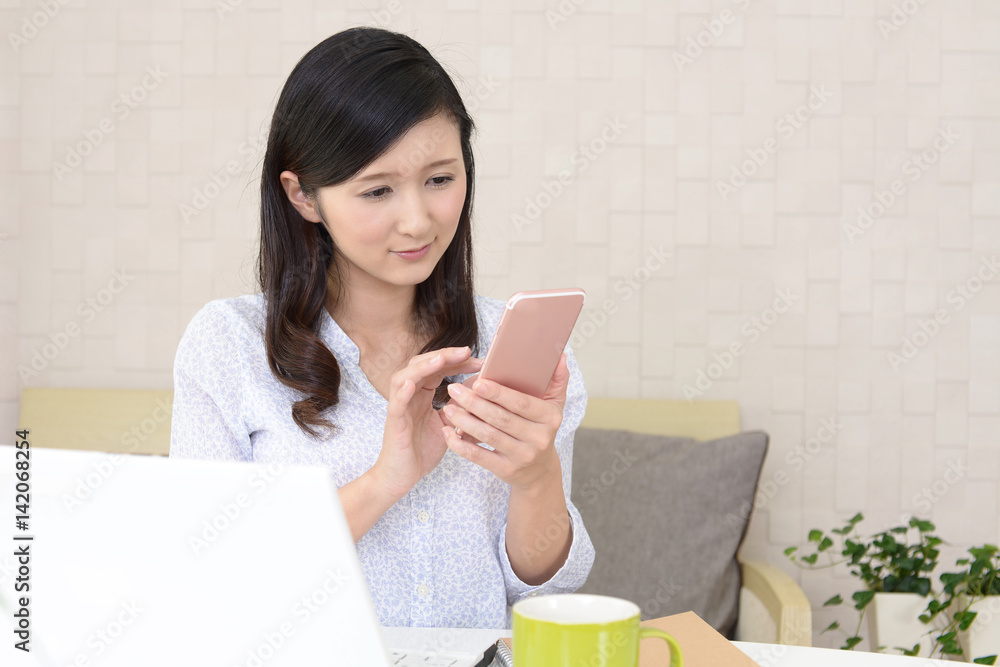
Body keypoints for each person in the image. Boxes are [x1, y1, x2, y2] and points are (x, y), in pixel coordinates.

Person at [169, 26, 594, 629]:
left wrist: (535, 477)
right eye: (377, 191)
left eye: (440, 180)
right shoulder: (229, 345)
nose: (417, 221)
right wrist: (384, 482)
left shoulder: (514, 345)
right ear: (303, 195)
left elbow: (541, 594)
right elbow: (212, 576)